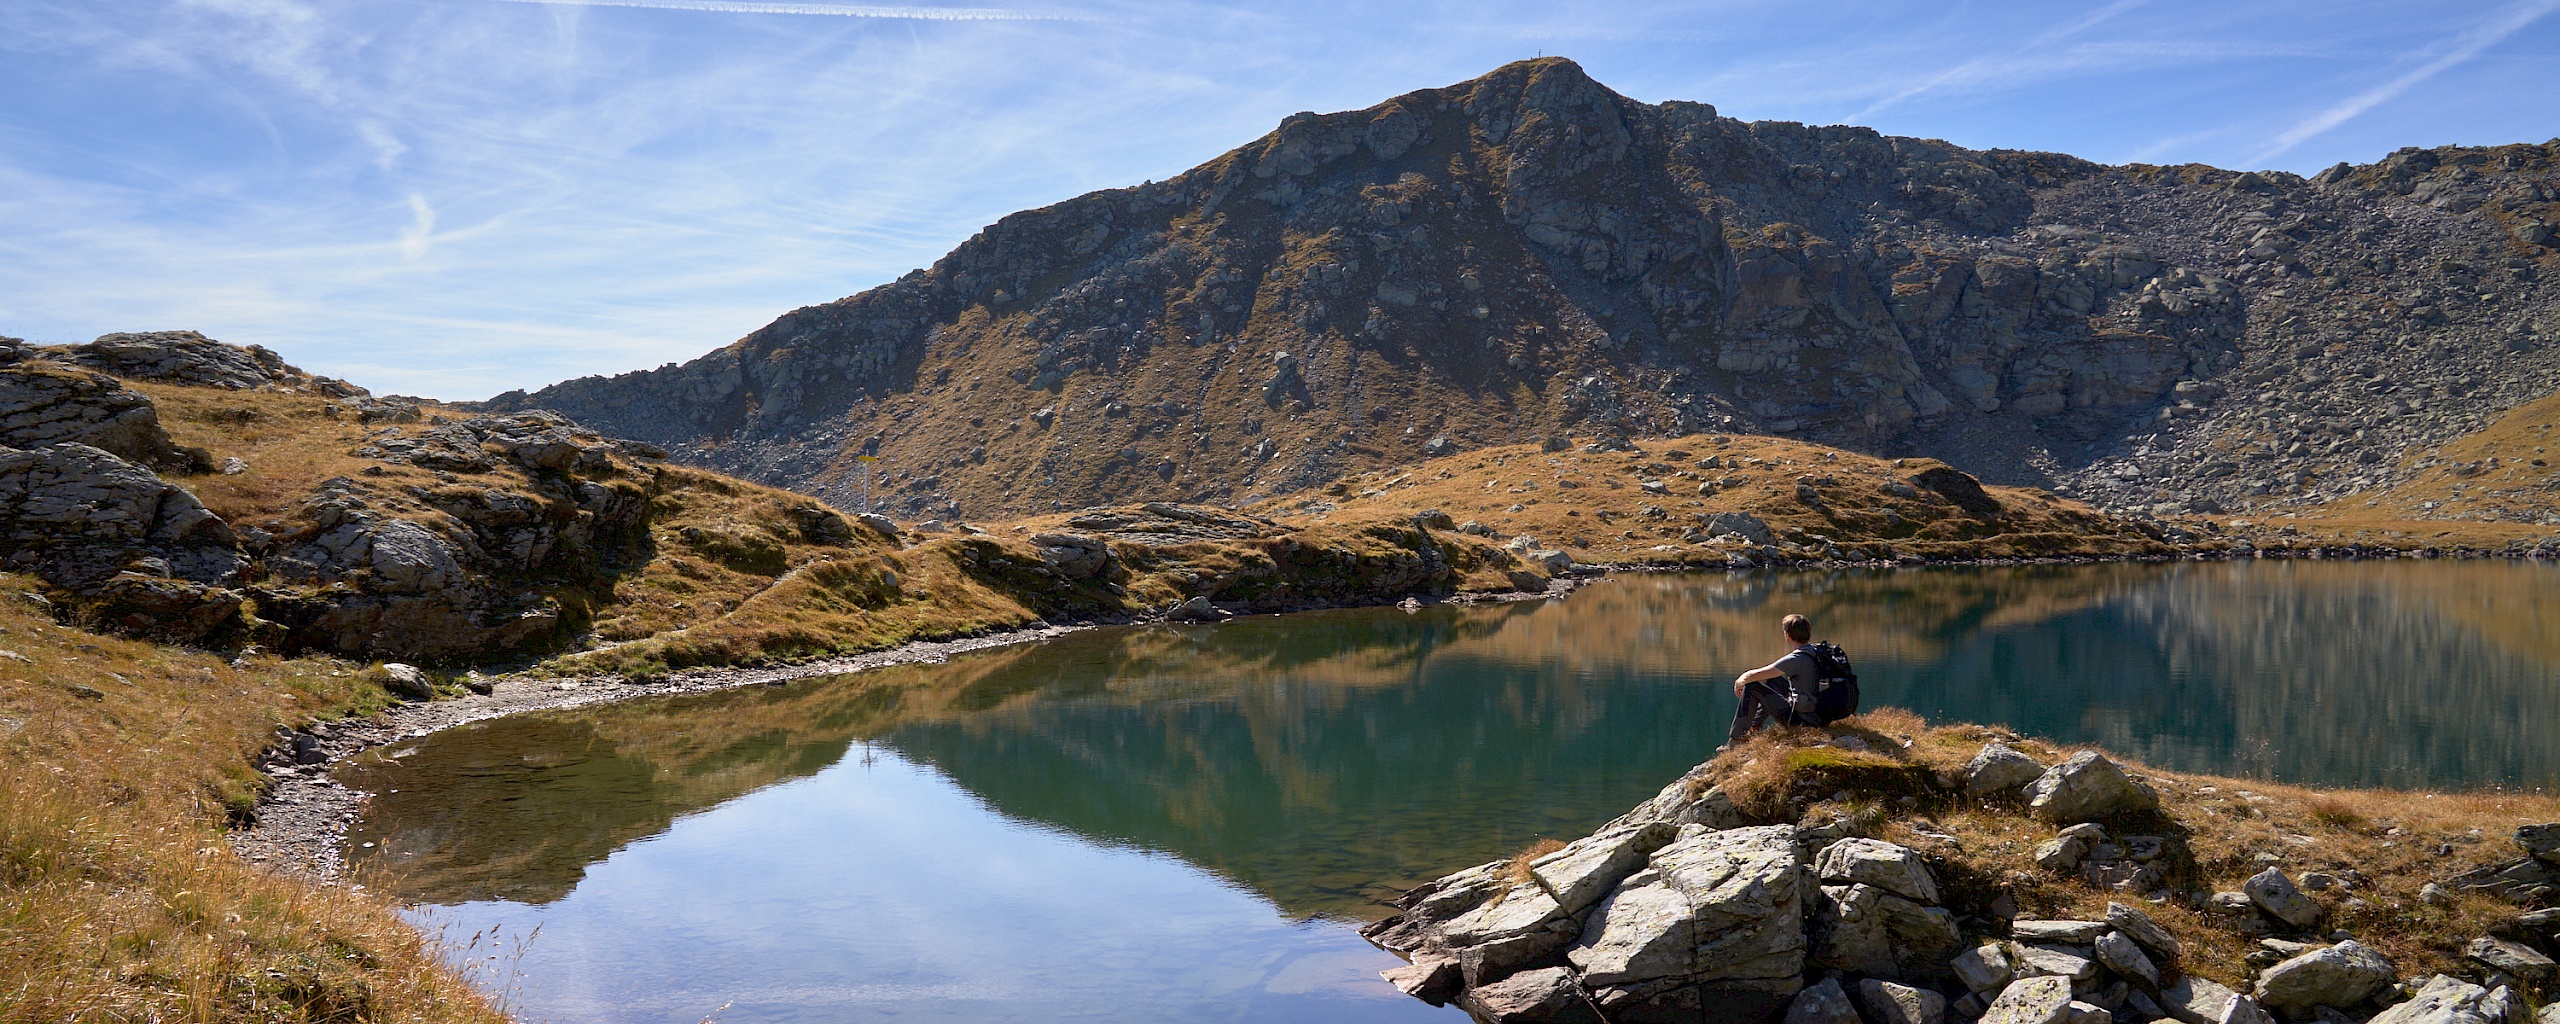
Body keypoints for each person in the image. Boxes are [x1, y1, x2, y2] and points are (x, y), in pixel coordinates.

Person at [1725, 613, 1851, 746]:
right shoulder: (1815, 652)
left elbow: (1756, 675)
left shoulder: (1797, 658)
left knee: (1752, 687)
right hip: (1818, 715)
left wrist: (1740, 681)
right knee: (1774, 682)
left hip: (1801, 720)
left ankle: (1736, 740)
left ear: (1787, 635)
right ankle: (1754, 727)